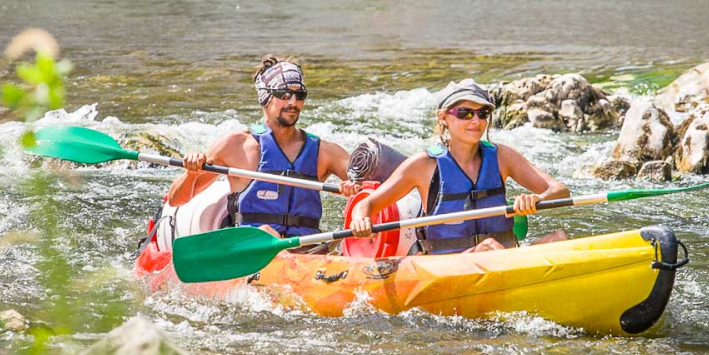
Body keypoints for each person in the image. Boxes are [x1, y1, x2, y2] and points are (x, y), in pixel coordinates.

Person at [348, 80, 568, 254]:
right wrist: (360, 220)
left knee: (558, 238)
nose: (476, 121)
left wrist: (537, 199)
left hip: (503, 257)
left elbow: (560, 190)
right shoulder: (423, 165)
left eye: (483, 113)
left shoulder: (502, 156)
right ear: (443, 118)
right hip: (450, 265)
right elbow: (366, 206)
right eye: (465, 113)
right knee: (488, 248)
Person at [162, 56, 362, 246]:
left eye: (299, 95)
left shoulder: (325, 152)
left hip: (306, 250)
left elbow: (370, 189)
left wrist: (354, 190)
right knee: (267, 231)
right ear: (266, 97)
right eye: (283, 94)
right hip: (251, 251)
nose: (292, 102)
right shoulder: (235, 146)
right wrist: (191, 173)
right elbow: (177, 199)